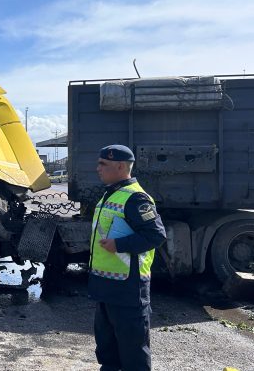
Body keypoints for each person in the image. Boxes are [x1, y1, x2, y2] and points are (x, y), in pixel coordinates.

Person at [89, 144, 167, 371]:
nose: (98, 168)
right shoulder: (110, 194)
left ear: (121, 166)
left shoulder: (136, 198)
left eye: (103, 164)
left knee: (133, 354)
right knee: (107, 351)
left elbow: (156, 235)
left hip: (128, 289)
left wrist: (119, 245)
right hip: (106, 287)